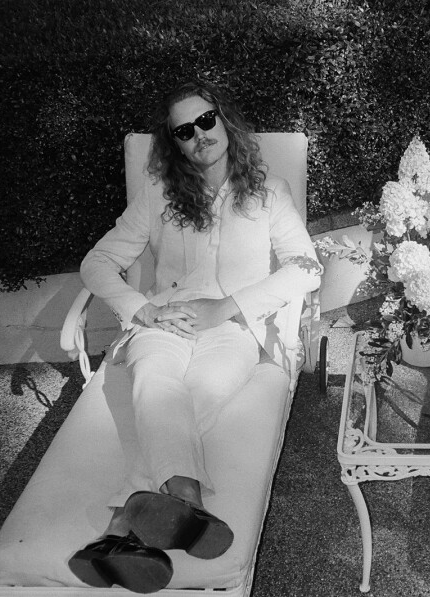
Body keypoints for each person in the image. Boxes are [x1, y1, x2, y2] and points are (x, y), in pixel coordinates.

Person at [68, 81, 322, 592]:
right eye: (184, 130)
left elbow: (307, 267)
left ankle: (120, 530)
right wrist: (142, 309)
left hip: (233, 327)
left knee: (194, 394)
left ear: (224, 120)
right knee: (156, 384)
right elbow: (97, 263)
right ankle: (187, 500)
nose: (199, 135)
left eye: (206, 120)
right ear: (175, 143)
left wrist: (226, 307)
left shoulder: (269, 192)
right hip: (163, 322)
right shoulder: (158, 194)